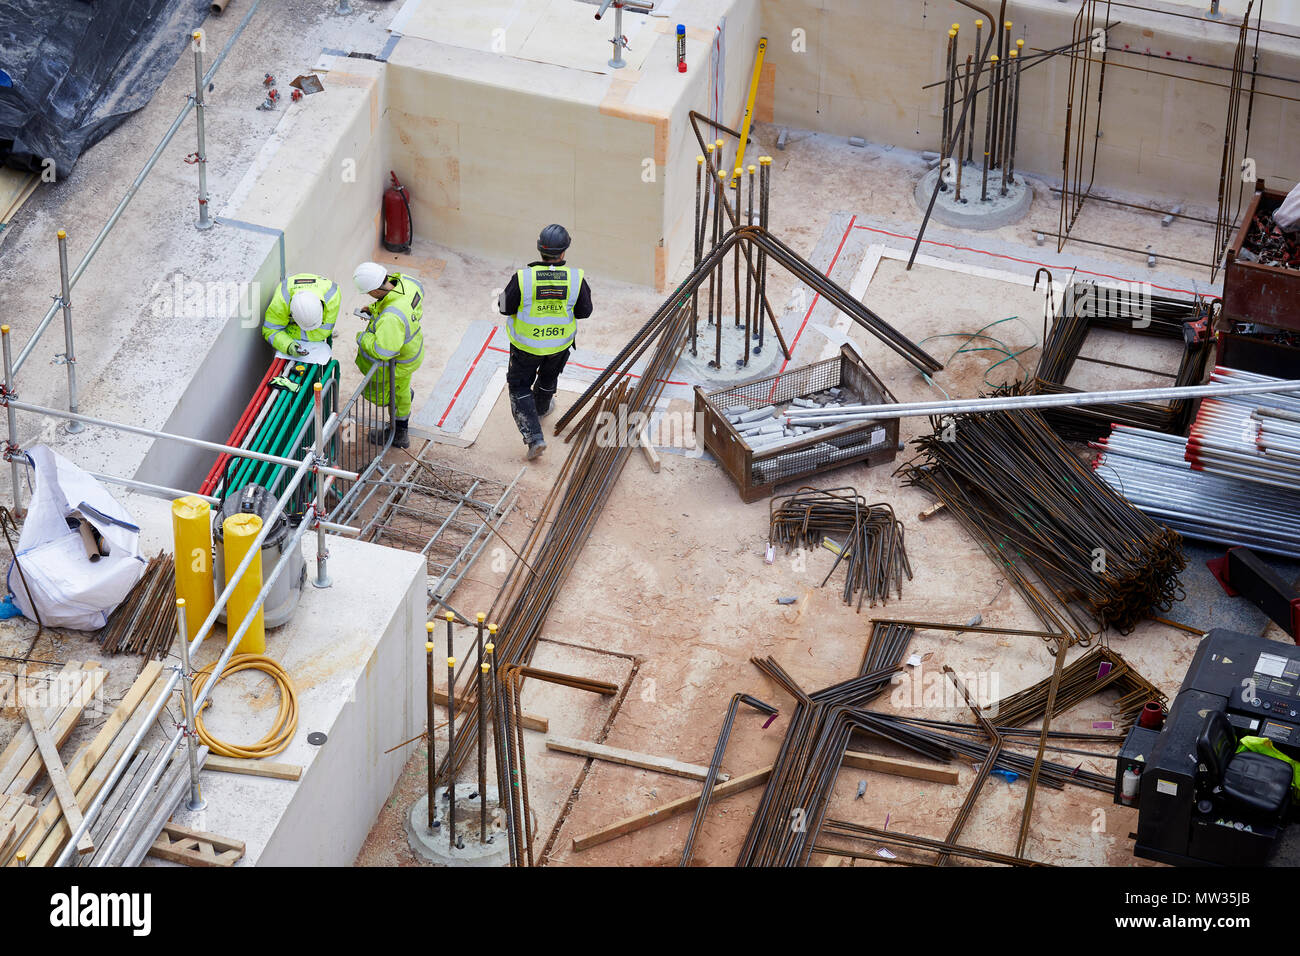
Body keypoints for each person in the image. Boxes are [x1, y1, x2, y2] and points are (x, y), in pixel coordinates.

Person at [497, 224, 593, 460]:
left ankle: (534, 438)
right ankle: (540, 408)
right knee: (549, 376)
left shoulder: (523, 278)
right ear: (564, 253)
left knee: (519, 386)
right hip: (559, 345)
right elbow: (584, 312)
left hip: (527, 347)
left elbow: (504, 307)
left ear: (540, 249)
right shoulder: (575, 278)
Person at [353, 261, 425, 449]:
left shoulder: (391, 317)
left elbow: (384, 350)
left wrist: (363, 337)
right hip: (410, 352)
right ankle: (402, 406)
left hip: (398, 362)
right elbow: (399, 302)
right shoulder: (407, 283)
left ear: (375, 290)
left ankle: (399, 433)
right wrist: (375, 308)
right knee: (401, 390)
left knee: (384, 396)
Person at [261, 273, 340, 356]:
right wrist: (288, 345)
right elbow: (270, 330)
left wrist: (287, 333)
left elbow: (323, 332)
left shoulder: (332, 295)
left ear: (322, 307)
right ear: (291, 313)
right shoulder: (281, 301)